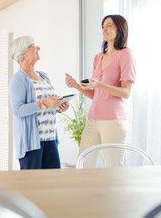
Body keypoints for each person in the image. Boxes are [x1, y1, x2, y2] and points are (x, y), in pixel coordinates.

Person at [65, 14, 136, 166]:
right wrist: (76, 85)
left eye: (109, 26)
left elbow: (126, 92)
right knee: (83, 164)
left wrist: (99, 84)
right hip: (93, 118)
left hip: (113, 119)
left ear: (120, 28)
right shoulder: (98, 57)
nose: (104, 29)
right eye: (103, 27)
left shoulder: (126, 55)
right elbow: (95, 94)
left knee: (113, 166)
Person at [9, 36, 69, 170]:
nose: (38, 48)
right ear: (23, 53)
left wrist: (59, 107)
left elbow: (49, 104)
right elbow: (18, 110)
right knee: (32, 186)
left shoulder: (44, 76)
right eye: (33, 45)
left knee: (53, 185)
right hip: (31, 144)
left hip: (50, 139)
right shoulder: (18, 79)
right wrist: (43, 103)